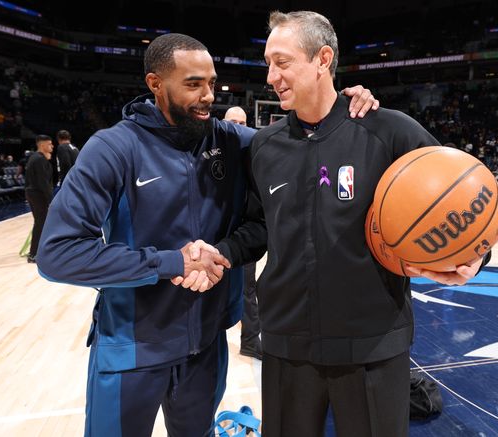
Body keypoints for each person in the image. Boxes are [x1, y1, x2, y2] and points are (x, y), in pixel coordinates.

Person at [36, 32, 377, 437]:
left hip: (206, 346)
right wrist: (172, 262)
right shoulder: (112, 148)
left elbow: (305, 143)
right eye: (193, 84)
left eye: (212, 83)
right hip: (132, 346)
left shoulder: (232, 141)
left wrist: (343, 101)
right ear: (155, 84)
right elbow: (57, 254)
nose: (207, 96)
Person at [217, 11, 494, 437]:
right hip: (287, 345)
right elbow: (258, 227)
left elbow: (459, 203)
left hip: (372, 344)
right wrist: (220, 253)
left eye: (283, 62)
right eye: (268, 63)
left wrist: (474, 258)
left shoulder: (390, 131)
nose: (271, 76)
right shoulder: (265, 146)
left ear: (322, 58)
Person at [223, 106, 262, 360]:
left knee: (247, 290)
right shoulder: (210, 153)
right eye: (233, 122)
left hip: (241, 236)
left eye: (243, 122)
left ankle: (249, 340)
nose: (238, 126)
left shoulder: (253, 155)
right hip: (210, 235)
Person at [24, 135, 54, 263]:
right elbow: (43, 182)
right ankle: (33, 254)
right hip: (38, 194)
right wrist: (51, 200)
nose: (52, 146)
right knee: (40, 223)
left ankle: (37, 252)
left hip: (34, 193)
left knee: (41, 223)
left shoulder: (36, 158)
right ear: (42, 145)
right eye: (49, 144)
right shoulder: (39, 159)